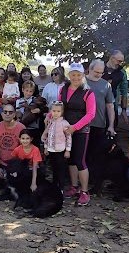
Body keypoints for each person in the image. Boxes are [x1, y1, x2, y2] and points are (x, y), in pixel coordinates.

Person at [59, 63, 97, 206]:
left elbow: (90, 114)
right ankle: (74, 187)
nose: (76, 77)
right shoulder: (63, 89)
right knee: (70, 159)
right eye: (73, 74)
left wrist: (75, 127)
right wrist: (50, 116)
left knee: (80, 160)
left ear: (83, 76)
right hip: (65, 129)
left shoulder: (88, 92)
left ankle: (84, 192)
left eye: (78, 75)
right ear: (69, 75)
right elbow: (59, 107)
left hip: (80, 130)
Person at [0, 103, 25, 200]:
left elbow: (24, 150)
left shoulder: (21, 128)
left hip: (14, 163)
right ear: (2, 114)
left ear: (14, 114)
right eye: (5, 112)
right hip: (1, 162)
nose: (7, 114)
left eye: (10, 112)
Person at [84, 60, 117, 163]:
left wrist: (111, 125)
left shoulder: (106, 85)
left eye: (101, 72)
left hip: (99, 124)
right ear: (90, 69)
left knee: (95, 154)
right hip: (81, 124)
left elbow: (110, 106)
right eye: (96, 72)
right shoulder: (81, 82)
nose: (99, 75)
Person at [41, 101, 71, 190]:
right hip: (51, 150)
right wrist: (46, 148)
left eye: (58, 111)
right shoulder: (50, 122)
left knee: (61, 170)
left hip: (61, 150)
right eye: (54, 111)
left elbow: (68, 137)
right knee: (53, 169)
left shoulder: (64, 123)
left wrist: (68, 150)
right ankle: (54, 187)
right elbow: (47, 136)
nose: (56, 113)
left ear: (62, 112)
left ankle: (61, 188)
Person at [102, 51, 129, 128]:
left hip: (113, 105)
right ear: (112, 58)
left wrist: (124, 109)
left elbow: (124, 91)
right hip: (97, 105)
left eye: (121, 62)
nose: (120, 64)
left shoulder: (122, 72)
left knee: (111, 130)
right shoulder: (99, 67)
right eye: (119, 61)